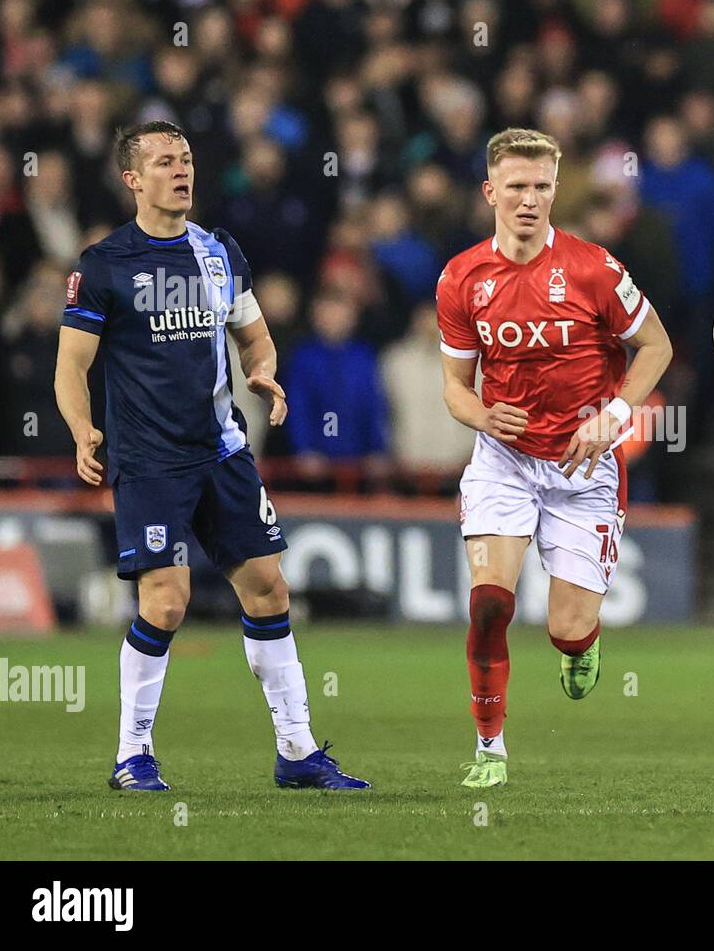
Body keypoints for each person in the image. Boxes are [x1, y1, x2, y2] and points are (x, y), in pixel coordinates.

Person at [53, 121, 368, 792]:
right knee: (166, 603)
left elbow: (256, 337)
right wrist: (82, 429)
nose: (180, 169)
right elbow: (70, 368)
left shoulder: (219, 251)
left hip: (223, 450)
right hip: (149, 459)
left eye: (187, 158)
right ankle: (131, 755)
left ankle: (297, 750)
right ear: (133, 178)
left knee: (269, 588)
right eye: (164, 161)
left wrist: (262, 370)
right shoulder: (104, 263)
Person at [438, 128, 673, 788]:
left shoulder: (596, 268)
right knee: (489, 602)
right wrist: (484, 415)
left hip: (581, 468)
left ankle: (580, 645)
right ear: (491, 192)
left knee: (567, 626)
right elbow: (454, 387)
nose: (530, 198)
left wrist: (616, 415)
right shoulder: (461, 278)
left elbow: (655, 347)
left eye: (542, 186)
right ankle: (490, 746)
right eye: (516, 186)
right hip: (502, 461)